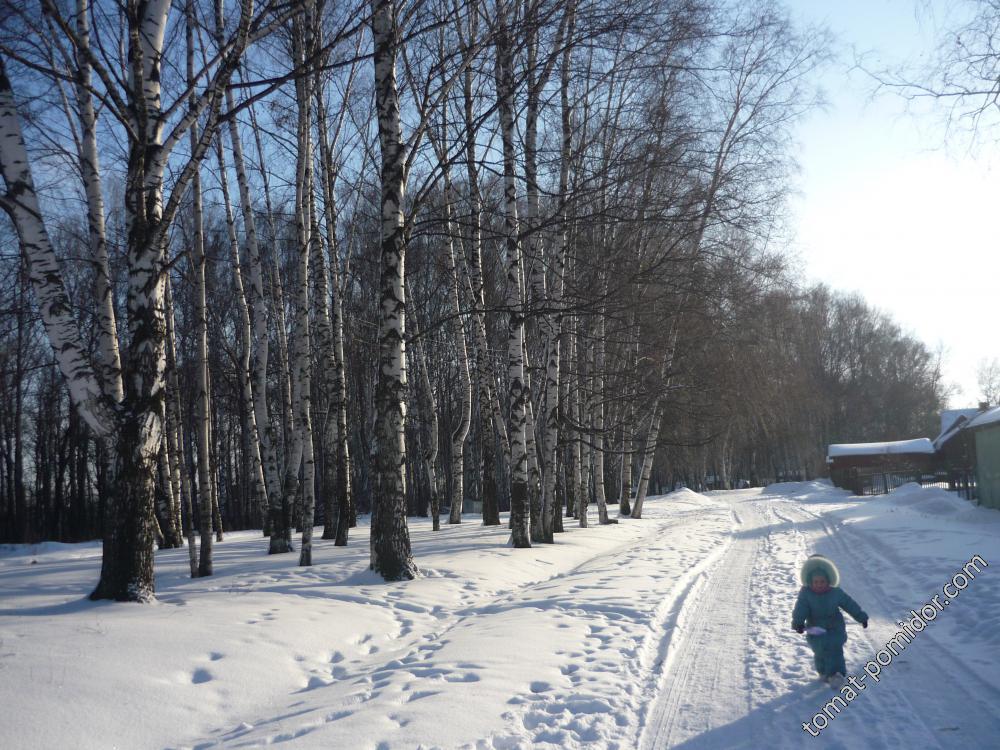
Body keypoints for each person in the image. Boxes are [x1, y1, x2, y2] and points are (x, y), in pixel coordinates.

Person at [791, 554, 868, 687]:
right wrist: (798, 623)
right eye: (816, 582)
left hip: (835, 627)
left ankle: (836, 674)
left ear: (829, 580)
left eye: (822, 582)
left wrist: (861, 616)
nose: (819, 585)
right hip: (815, 628)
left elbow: (849, 604)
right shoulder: (806, 594)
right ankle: (823, 672)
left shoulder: (835, 592)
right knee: (820, 651)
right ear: (810, 581)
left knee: (835, 649)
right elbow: (800, 608)